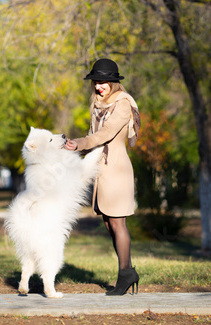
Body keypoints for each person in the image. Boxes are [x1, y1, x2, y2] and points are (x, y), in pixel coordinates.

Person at [65, 58, 141, 296]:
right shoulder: (96, 104)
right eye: (96, 82)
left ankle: (125, 274)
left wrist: (79, 144)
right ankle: (127, 272)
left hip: (117, 171)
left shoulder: (123, 104)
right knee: (109, 223)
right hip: (102, 171)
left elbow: (106, 134)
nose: (99, 87)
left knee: (118, 222)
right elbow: (92, 135)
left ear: (114, 82)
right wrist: (73, 146)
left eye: (103, 82)